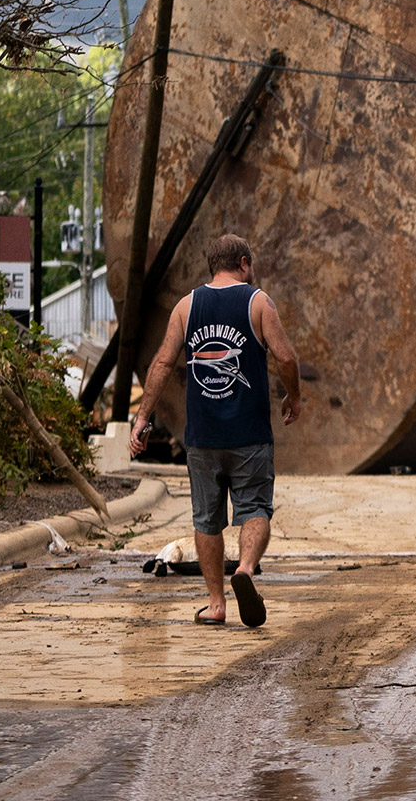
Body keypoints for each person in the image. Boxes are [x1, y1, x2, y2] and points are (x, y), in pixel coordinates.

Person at [132, 233, 301, 627]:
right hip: (251, 435)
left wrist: (142, 419)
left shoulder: (186, 307)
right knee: (255, 509)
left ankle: (216, 604)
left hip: (202, 437)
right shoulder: (258, 302)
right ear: (243, 263)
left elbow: (160, 364)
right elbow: (287, 357)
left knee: (206, 520)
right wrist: (294, 397)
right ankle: (243, 568)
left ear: (212, 264)